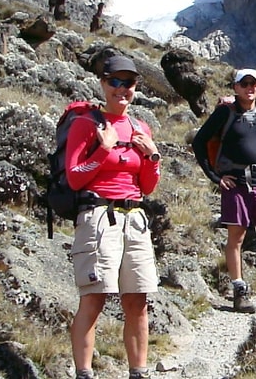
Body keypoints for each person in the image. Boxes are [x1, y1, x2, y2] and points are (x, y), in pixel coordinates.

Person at [63, 54, 162, 379]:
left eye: (129, 83)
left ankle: (138, 371)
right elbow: (76, 177)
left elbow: (147, 186)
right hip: (97, 219)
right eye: (115, 82)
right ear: (103, 83)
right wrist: (103, 149)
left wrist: (152, 156)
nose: (122, 89)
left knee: (137, 302)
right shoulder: (86, 124)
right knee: (95, 299)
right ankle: (84, 372)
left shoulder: (139, 127)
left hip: (134, 220)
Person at [191, 68, 256, 313]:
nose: (250, 88)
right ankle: (239, 289)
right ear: (235, 87)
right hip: (234, 182)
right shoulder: (225, 113)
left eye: (254, 84)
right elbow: (199, 142)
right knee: (236, 237)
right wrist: (215, 177)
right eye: (244, 84)